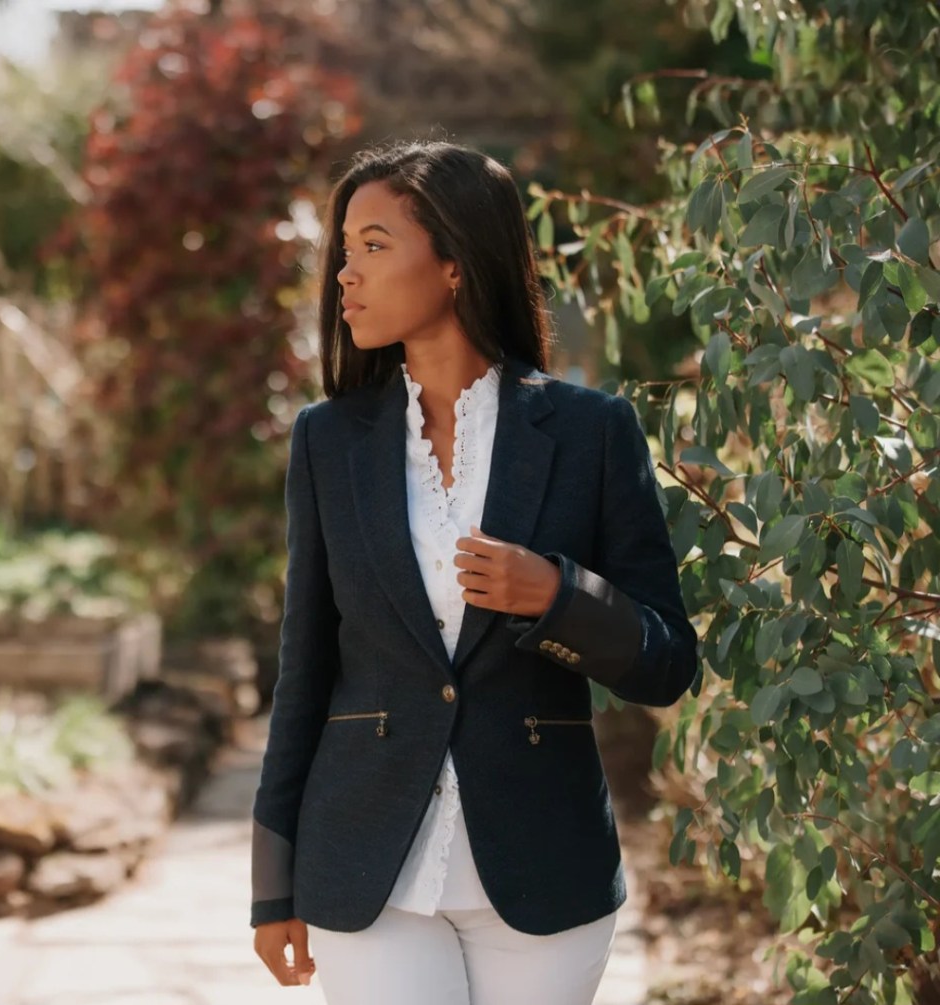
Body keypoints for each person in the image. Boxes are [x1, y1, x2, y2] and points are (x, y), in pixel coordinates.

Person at [249, 139, 698, 1005]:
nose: (346, 274)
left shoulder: (592, 431)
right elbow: (303, 669)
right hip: (367, 864)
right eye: (345, 252)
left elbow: (669, 658)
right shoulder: (328, 440)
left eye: (374, 246)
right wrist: (274, 883)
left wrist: (559, 597)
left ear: (455, 261)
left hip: (545, 867)